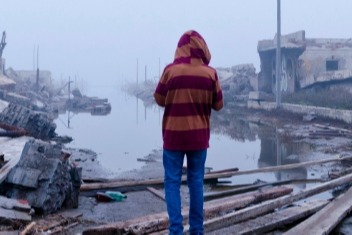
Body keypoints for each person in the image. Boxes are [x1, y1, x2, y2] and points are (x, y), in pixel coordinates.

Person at [154, 30, 223, 235]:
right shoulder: (210, 74)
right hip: (199, 138)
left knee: (172, 183)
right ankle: (196, 230)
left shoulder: (170, 71)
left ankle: (175, 230)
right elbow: (218, 104)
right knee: (196, 182)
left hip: (173, 136)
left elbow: (158, 98)